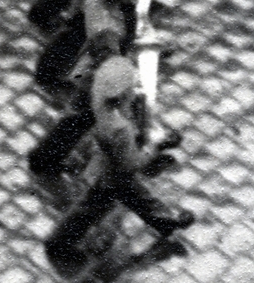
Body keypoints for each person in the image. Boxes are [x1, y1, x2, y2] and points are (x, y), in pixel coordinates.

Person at [44, 57, 194, 264]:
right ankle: (58, 244)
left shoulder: (101, 98)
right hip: (112, 170)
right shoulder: (120, 128)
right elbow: (133, 162)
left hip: (105, 162)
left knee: (133, 194)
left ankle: (165, 222)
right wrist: (154, 148)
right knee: (93, 207)